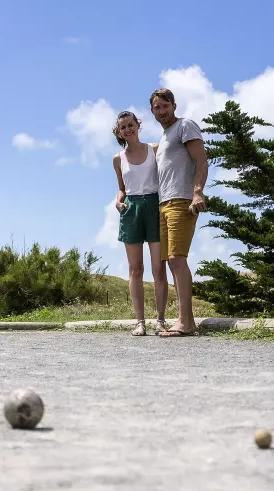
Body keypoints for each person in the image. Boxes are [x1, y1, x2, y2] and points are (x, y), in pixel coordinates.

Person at [149, 88, 209, 337]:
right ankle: (187, 321)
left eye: (165, 106)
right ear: (152, 111)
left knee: (177, 258)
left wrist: (198, 192)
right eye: (157, 108)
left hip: (181, 200)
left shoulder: (185, 126)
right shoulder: (164, 138)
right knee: (171, 262)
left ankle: (184, 322)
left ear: (174, 105)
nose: (162, 111)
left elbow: (201, 160)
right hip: (163, 204)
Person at [111, 110, 170, 336]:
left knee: (158, 268)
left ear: (138, 125)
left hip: (154, 205)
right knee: (135, 269)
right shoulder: (118, 159)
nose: (128, 129)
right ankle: (140, 322)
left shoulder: (154, 149)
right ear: (119, 132)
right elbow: (122, 188)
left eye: (130, 124)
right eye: (123, 127)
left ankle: (161, 321)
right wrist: (118, 201)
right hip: (131, 209)